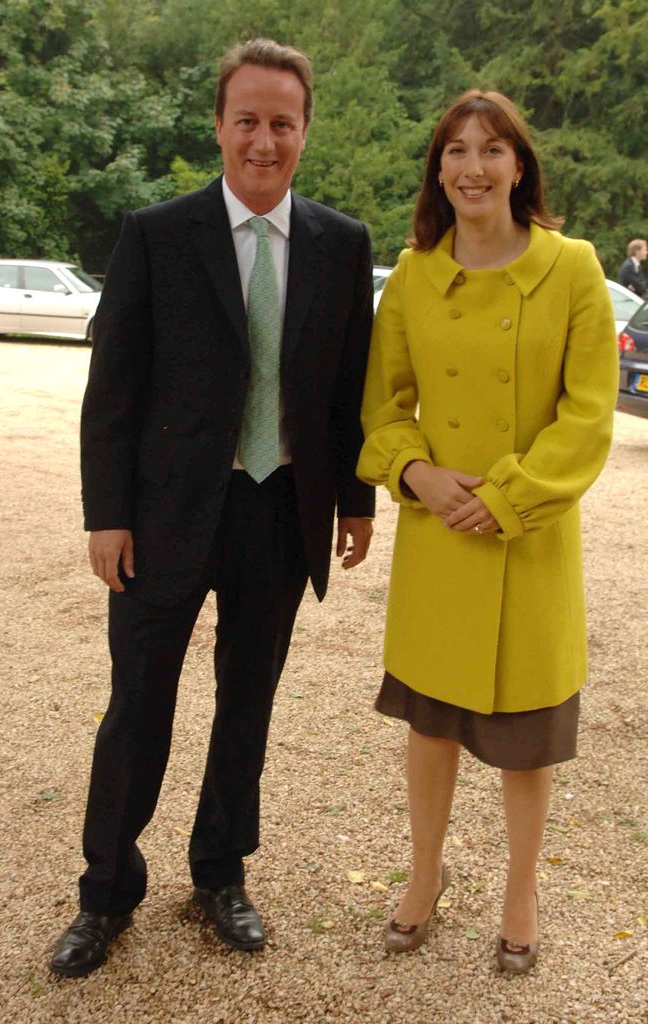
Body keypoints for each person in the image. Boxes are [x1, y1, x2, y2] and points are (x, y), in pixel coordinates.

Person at [49, 37, 375, 978]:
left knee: (248, 705)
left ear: (305, 130)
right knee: (138, 706)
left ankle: (221, 874)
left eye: (282, 122)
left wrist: (352, 498)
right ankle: (106, 893)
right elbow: (112, 389)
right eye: (248, 120)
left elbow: (346, 385)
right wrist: (105, 514)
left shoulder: (341, 244)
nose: (263, 140)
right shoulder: (157, 233)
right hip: (163, 517)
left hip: (279, 510)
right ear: (220, 126)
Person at [357, 89, 618, 974]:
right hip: (437, 536)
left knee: (523, 741)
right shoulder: (412, 276)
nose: (473, 166)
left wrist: (505, 498)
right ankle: (423, 878)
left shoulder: (574, 268)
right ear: (438, 168)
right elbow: (383, 409)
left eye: (492, 150)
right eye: (457, 150)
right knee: (428, 729)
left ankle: (522, 892)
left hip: (529, 543)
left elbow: (587, 418)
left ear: (519, 166)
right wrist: (419, 473)